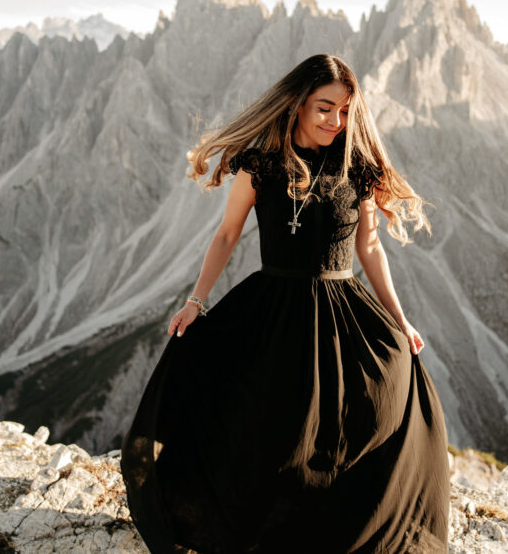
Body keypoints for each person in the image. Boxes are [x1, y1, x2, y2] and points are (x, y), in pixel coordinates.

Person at [120, 54, 451, 553]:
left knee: (375, 402)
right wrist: (196, 300)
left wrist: (401, 320)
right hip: (271, 310)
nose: (335, 121)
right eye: (324, 108)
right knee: (268, 427)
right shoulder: (261, 165)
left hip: (342, 310)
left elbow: (371, 247)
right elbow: (227, 233)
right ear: (297, 103)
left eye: (344, 111)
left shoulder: (357, 168)